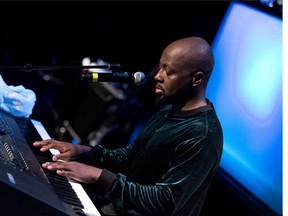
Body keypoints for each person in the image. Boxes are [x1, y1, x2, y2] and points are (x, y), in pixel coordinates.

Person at [33, 36, 223, 216]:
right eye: (160, 67)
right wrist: (87, 152)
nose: (157, 76)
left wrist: (99, 176)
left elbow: (166, 201)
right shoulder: (170, 108)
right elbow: (135, 156)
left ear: (197, 78)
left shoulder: (203, 135)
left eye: (169, 71)